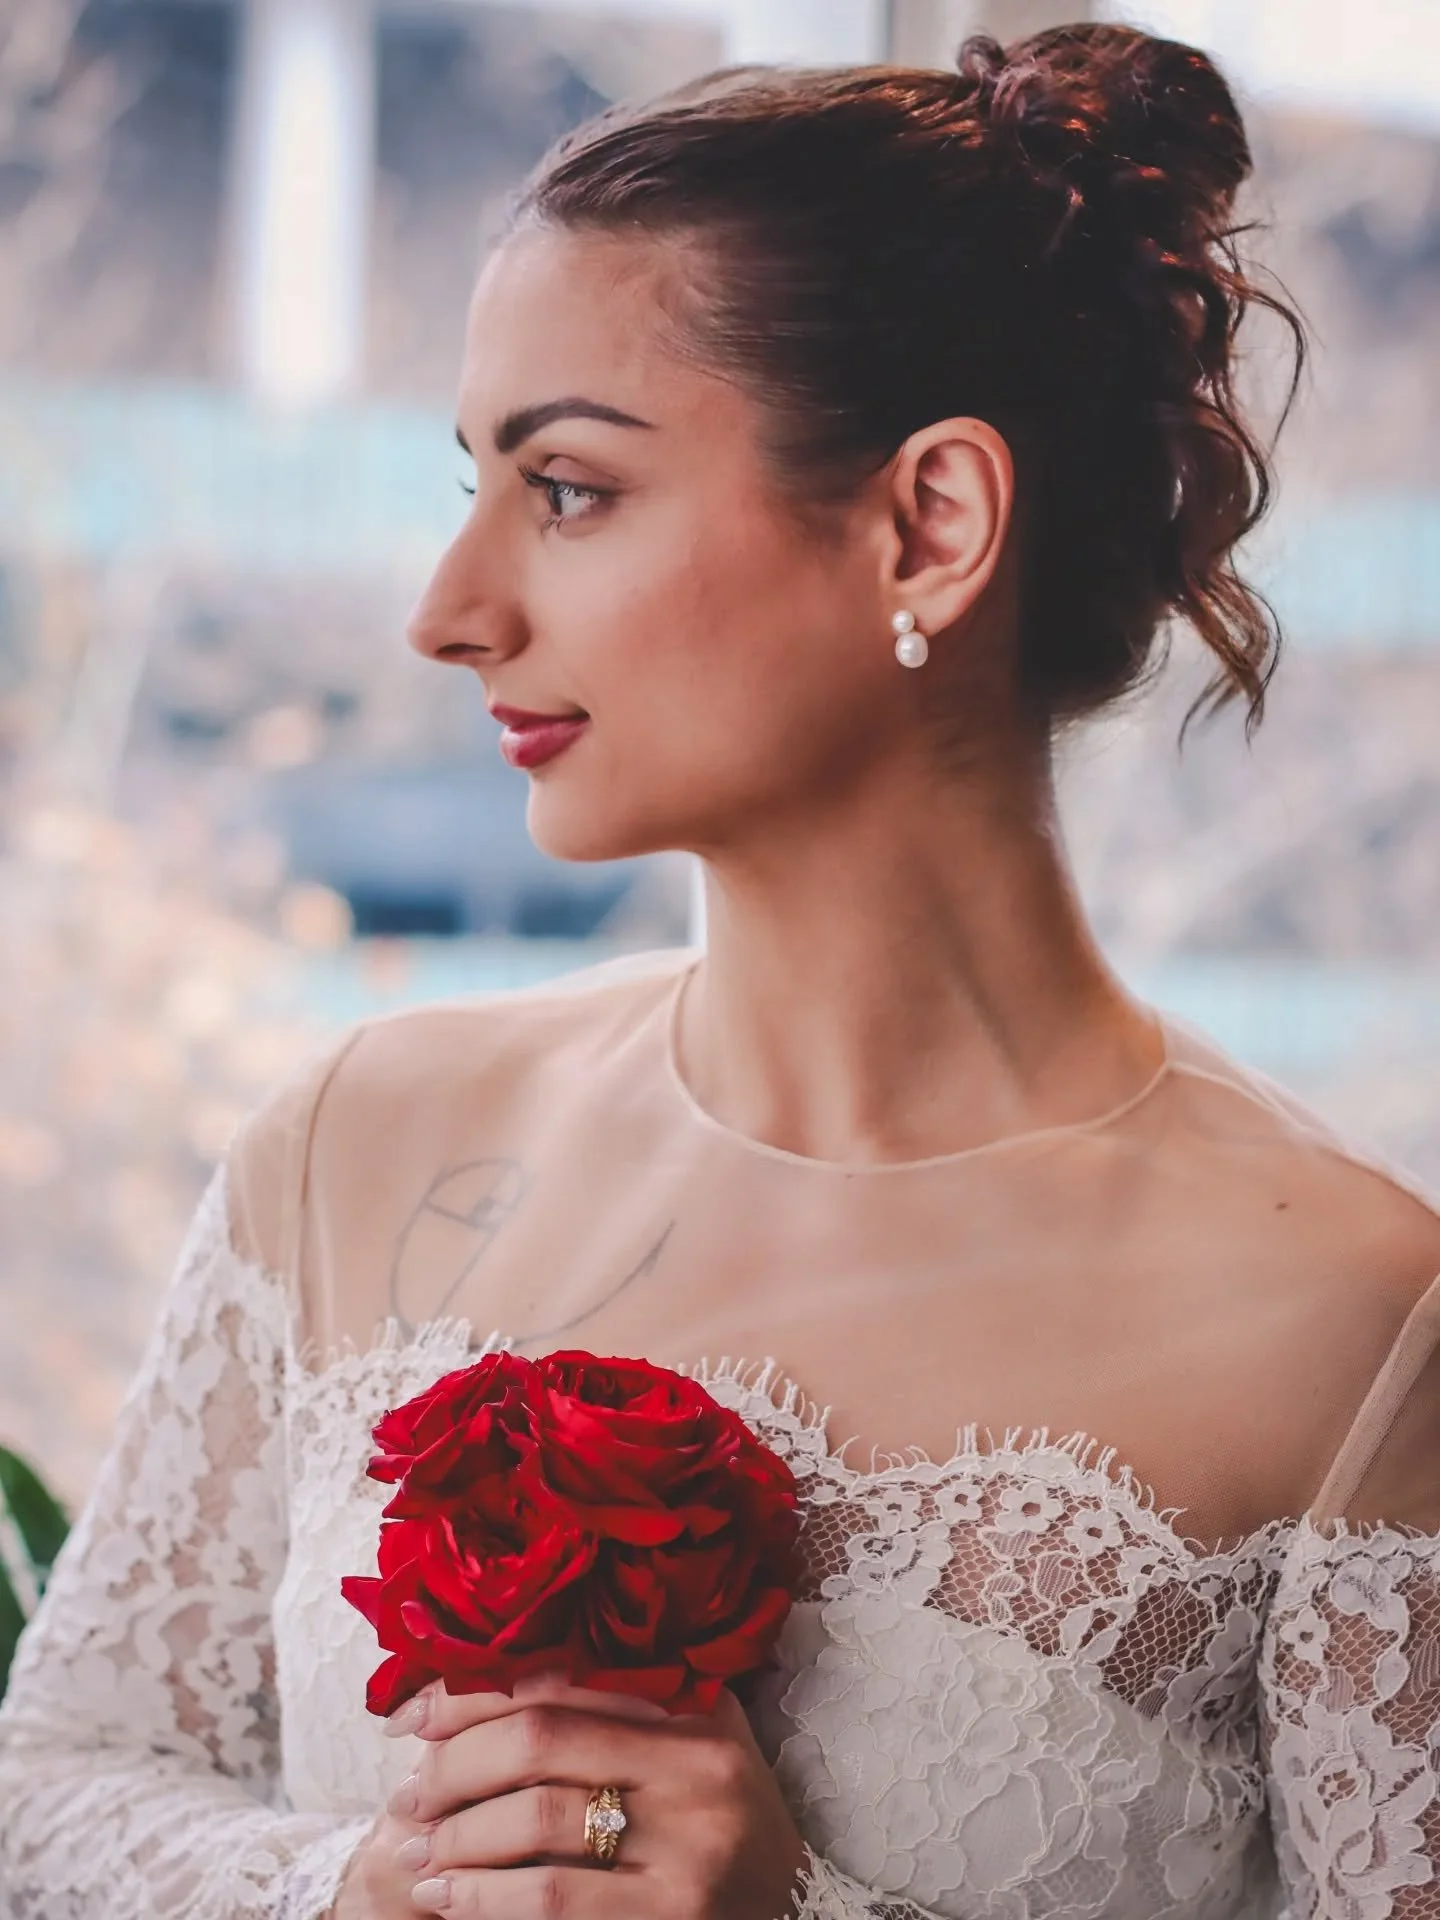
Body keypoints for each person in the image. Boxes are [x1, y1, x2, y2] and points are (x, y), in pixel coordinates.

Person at [4, 21, 1440, 1920]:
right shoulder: (349, 1153)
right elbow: (54, 1789)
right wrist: (365, 1888)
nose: (449, 613)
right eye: (475, 485)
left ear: (931, 524)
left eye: (572, 490)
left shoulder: (1353, 1326)